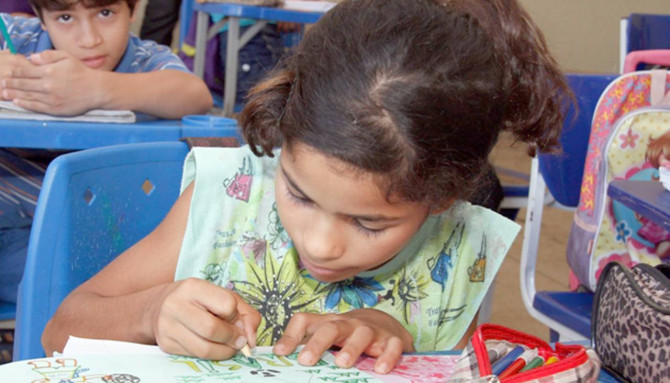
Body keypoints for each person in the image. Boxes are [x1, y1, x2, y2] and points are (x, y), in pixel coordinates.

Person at [42, 0, 570, 375]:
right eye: (298, 193)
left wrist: (399, 338)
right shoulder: (231, 197)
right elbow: (58, 330)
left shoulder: (458, 250)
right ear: (280, 134)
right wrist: (150, 311)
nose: (320, 244)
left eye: (368, 223)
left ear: (444, 196)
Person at [0, 0, 212, 317]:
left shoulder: (145, 61)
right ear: (42, 18)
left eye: (105, 13)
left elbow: (195, 94)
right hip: (8, 224)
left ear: (133, 10)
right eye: (66, 17)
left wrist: (97, 89)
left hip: (89, 240)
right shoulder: (15, 39)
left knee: (79, 294)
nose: (89, 39)